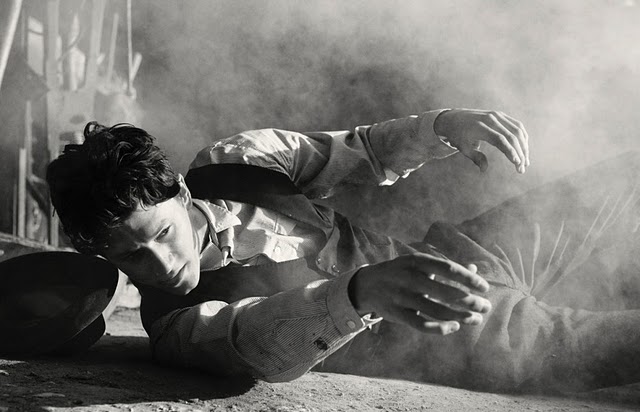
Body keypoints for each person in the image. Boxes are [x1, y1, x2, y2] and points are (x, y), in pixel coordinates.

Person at [45, 108, 640, 393]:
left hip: (462, 251)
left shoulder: (238, 158)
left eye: (160, 235)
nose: (160, 267)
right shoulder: (176, 326)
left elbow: (362, 150)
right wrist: (357, 295)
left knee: (625, 172)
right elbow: (255, 343)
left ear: (179, 191)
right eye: (129, 257)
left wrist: (440, 126)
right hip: (463, 336)